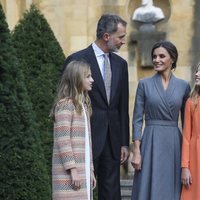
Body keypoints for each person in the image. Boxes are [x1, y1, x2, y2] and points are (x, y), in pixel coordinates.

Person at [63, 14, 130, 200]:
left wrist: (125, 141)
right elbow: (67, 101)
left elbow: (122, 106)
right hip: (85, 138)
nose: (123, 41)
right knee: (83, 191)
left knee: (111, 193)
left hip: (113, 140)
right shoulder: (76, 60)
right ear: (107, 36)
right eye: (121, 37)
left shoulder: (121, 64)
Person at [131, 40, 190, 200]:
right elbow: (137, 119)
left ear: (172, 59)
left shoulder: (184, 86)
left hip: (174, 143)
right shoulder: (144, 84)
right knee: (148, 185)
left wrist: (188, 157)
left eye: (161, 56)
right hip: (150, 141)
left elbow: (188, 125)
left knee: (172, 187)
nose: (156, 60)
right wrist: (136, 151)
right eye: (154, 56)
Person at [51, 60, 96, 200]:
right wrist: (73, 170)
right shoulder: (65, 105)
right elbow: (63, 139)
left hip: (83, 171)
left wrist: (91, 171)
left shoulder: (82, 105)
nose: (92, 80)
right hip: (70, 173)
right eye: (87, 76)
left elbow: (87, 144)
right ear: (76, 78)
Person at [181, 63, 200, 200]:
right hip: (195, 156)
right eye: (197, 70)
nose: (197, 74)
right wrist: (185, 167)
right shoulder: (191, 102)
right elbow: (186, 137)